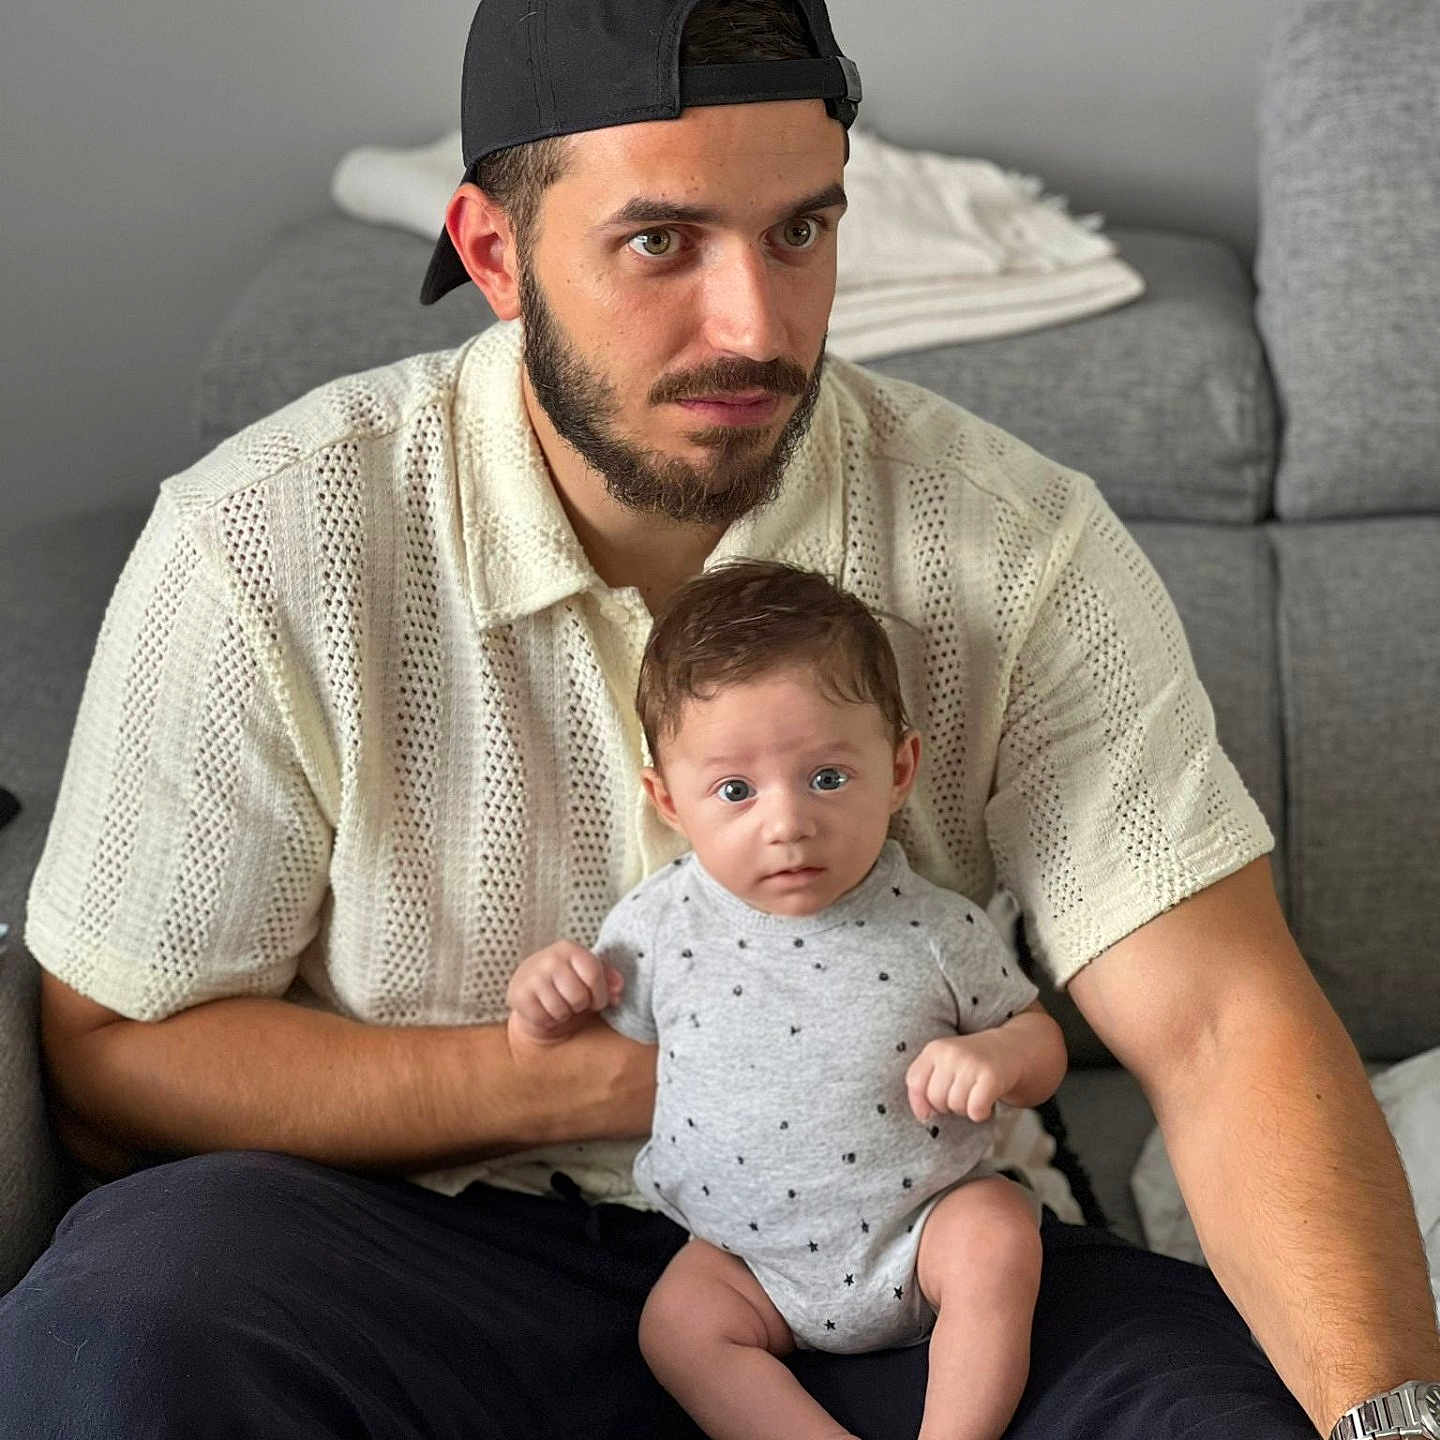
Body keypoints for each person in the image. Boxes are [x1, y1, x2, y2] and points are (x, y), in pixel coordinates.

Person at [3, 0, 1436, 1435]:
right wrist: (641, 1084)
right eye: (661, 243)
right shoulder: (263, 541)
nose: (756, 325)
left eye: (800, 232)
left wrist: (1392, 1422)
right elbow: (114, 1055)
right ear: (497, 253)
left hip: (920, 1259)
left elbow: (1219, 1023)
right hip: (428, 1252)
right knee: (131, 1324)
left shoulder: (1018, 542)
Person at [506, 560, 1068, 1440]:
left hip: (918, 1233)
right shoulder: (659, 923)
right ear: (669, 802)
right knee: (678, 1330)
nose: (787, 823)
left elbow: (1040, 1045)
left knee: (999, 1234)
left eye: (828, 778)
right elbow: (564, 1041)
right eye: (735, 791)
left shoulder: (935, 928)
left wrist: (998, 1057)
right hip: (744, 1259)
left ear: (900, 768)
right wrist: (539, 1001)